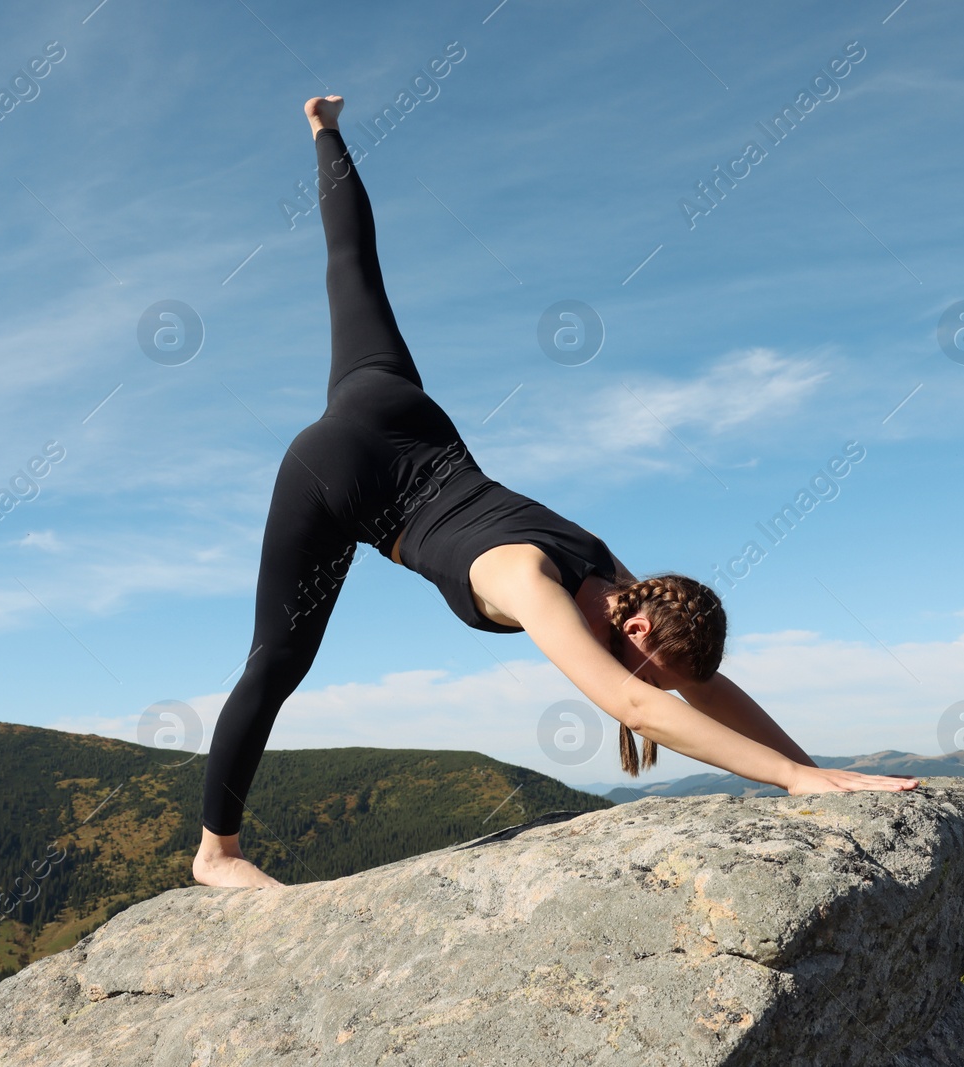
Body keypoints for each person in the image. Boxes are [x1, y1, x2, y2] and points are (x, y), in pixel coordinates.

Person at [191, 96, 917, 890]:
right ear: (637, 622)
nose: (658, 682)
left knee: (353, 265)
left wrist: (812, 770)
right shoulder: (531, 582)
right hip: (334, 478)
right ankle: (214, 853)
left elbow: (703, 686)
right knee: (279, 659)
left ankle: (323, 128)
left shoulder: (618, 577)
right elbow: (644, 711)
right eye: (657, 665)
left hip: (392, 403)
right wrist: (794, 782)